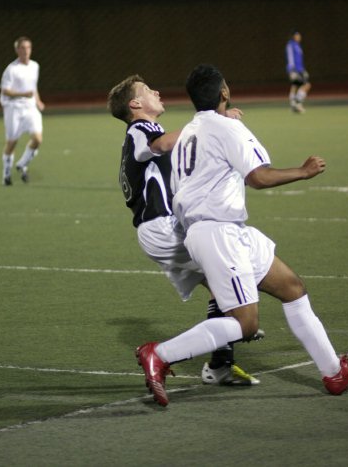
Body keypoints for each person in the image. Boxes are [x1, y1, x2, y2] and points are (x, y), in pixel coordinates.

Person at [135, 64, 348, 406]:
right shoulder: (227, 127)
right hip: (218, 233)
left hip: (223, 230)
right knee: (245, 324)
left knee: (292, 288)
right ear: (223, 93)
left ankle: (334, 372)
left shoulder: (190, 131)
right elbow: (258, 177)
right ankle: (159, 354)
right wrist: (303, 172)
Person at [107, 74, 262, 386]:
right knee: (233, 277)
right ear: (135, 104)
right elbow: (163, 144)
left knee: (224, 285)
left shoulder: (146, 133)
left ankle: (221, 361)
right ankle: (199, 347)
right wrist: (211, 122)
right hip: (162, 228)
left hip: (161, 228)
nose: (157, 90)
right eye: (148, 90)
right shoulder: (141, 128)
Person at [0, 36, 45, 185]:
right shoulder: (11, 69)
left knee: (37, 139)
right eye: (22, 48)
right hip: (14, 109)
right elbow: (5, 91)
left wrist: (38, 101)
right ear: (17, 50)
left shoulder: (35, 66)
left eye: (28, 47)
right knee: (12, 142)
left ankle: (22, 164)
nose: (25, 50)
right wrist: (23, 94)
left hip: (30, 108)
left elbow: (33, 87)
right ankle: (6, 173)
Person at [285, 29, 311, 113]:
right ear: (294, 36)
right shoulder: (291, 45)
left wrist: (303, 70)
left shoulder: (297, 45)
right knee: (306, 85)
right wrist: (291, 70)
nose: (299, 37)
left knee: (295, 86)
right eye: (297, 35)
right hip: (295, 70)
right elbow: (290, 58)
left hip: (300, 70)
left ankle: (293, 104)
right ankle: (297, 102)